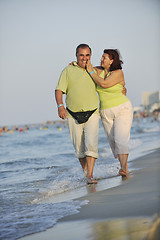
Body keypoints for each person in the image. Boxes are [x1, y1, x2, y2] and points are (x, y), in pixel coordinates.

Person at [55, 44, 99, 184]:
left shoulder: (95, 71)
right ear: (76, 56)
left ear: (90, 56)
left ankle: (90, 175)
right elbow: (58, 90)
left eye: (87, 55)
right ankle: (86, 174)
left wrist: (122, 86)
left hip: (92, 112)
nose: (84, 58)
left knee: (91, 144)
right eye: (81, 55)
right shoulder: (68, 70)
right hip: (73, 114)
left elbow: (109, 80)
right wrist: (60, 106)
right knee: (79, 148)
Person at [86, 49, 133, 176]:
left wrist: (91, 71)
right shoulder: (99, 71)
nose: (101, 59)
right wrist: (74, 63)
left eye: (104, 57)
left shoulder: (118, 73)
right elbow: (84, 67)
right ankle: (124, 167)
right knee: (113, 142)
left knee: (121, 139)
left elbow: (104, 84)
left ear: (112, 61)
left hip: (122, 109)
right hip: (105, 112)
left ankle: (124, 169)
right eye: (101, 56)